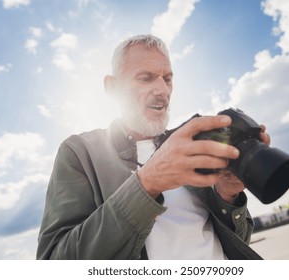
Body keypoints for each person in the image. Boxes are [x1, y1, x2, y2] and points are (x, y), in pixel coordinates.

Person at [36, 34, 270, 260]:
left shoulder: (194, 143)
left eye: (167, 78)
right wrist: (147, 183)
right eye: (145, 78)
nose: (163, 91)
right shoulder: (80, 152)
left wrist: (228, 196)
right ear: (113, 87)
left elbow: (238, 244)